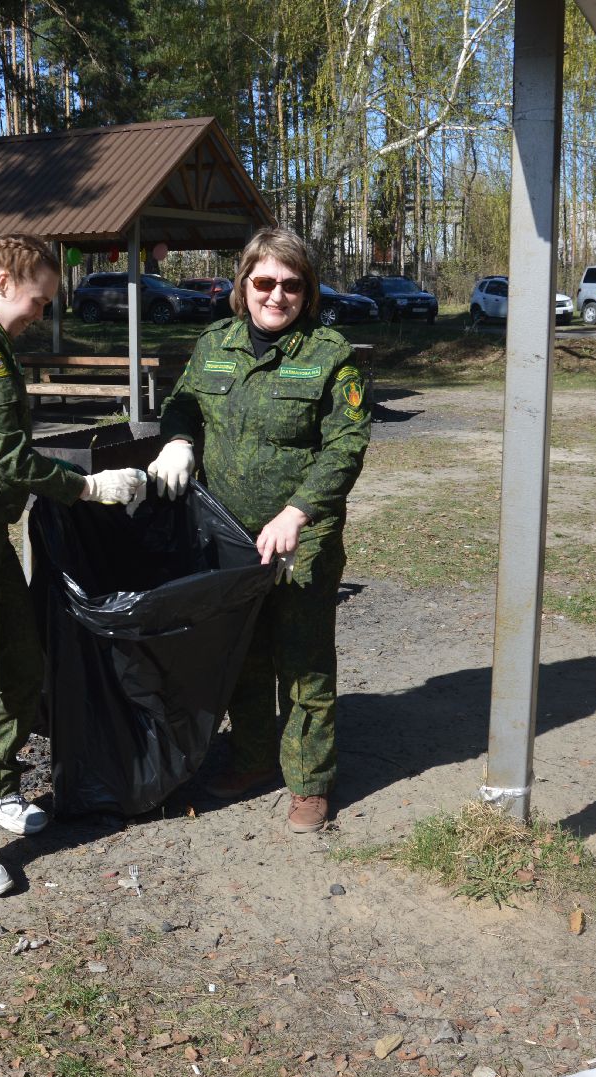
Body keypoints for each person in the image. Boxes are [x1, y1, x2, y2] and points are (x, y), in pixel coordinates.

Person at [0, 233, 147, 897]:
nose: (41, 315)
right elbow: (10, 457)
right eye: (39, 302)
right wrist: (90, 487)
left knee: (22, 665)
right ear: (6, 281)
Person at [148, 227, 369, 834]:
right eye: (264, 282)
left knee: (301, 660)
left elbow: (346, 447)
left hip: (303, 535)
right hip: (228, 535)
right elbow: (184, 402)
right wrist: (178, 439)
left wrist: (298, 512)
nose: (277, 296)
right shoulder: (214, 343)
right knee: (241, 653)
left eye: (291, 285)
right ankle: (250, 759)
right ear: (242, 284)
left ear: (308, 291)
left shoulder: (330, 355)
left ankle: (309, 782)